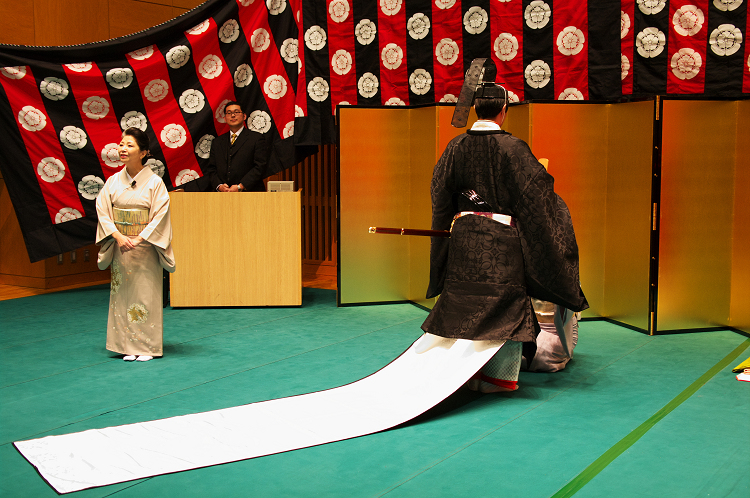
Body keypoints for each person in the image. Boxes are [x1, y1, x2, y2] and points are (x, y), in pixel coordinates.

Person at [421, 85, 588, 393]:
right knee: (506, 308)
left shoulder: (455, 147)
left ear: (475, 110)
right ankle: (496, 377)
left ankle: (461, 373)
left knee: (464, 304)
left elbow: (439, 193)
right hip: (501, 245)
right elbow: (538, 198)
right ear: (503, 111)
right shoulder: (514, 148)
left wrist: (447, 233)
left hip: (463, 242)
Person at [95, 127, 176, 362]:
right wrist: (118, 236)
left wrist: (140, 238)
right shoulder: (113, 181)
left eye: (129, 145)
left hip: (145, 247)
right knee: (122, 295)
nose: (122, 148)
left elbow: (160, 215)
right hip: (122, 246)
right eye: (121, 144)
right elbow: (103, 210)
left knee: (144, 295)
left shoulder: (154, 183)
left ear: (143, 153)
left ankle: (146, 346)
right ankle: (126, 345)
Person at [204, 101, 269, 192]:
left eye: (236, 112)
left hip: (251, 193)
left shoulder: (256, 138)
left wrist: (240, 186)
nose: (233, 115)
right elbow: (211, 168)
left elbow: (260, 166)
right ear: (225, 118)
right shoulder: (217, 142)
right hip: (222, 195)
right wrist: (219, 186)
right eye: (229, 113)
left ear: (244, 116)